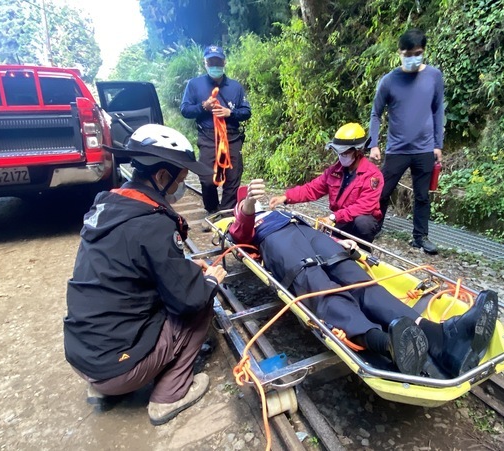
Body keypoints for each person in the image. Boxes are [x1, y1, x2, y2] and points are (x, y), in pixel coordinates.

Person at [229, 179, 499, 378]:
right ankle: (387, 344)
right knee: (319, 287)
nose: (259, 202)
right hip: (277, 242)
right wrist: (248, 206)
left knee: (359, 280)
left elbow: (317, 228)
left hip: (308, 234)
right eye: (250, 201)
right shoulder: (247, 221)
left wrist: (341, 242)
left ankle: (441, 338)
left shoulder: (284, 214)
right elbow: (239, 235)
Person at [63, 124, 228, 426]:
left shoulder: (108, 206)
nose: (181, 185)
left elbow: (134, 268)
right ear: (162, 177)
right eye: (180, 178)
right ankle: (170, 396)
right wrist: (209, 280)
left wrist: (188, 270)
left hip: (82, 354)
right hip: (116, 370)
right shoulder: (153, 223)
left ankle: (102, 389)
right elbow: (187, 300)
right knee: (201, 302)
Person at [369, 28, 444, 255]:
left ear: (424, 51)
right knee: (382, 191)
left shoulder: (434, 76)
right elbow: (376, 113)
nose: (412, 57)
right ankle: (374, 228)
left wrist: (438, 144)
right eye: (407, 53)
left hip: (424, 149)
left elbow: (438, 109)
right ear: (399, 53)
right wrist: (373, 143)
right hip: (397, 149)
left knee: (422, 196)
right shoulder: (389, 81)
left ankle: (420, 238)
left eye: (417, 52)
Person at [268, 123, 383, 243]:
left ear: (358, 151)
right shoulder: (334, 171)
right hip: (341, 220)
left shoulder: (372, 175)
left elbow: (364, 206)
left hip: (358, 221)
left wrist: (333, 217)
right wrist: (286, 197)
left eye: (344, 153)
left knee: (363, 223)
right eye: (339, 153)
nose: (341, 157)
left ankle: (363, 249)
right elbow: (312, 189)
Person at [180, 45, 252, 214]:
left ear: (224, 62)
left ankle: (226, 213)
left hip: (232, 137)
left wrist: (230, 113)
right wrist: (203, 106)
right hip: (208, 137)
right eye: (211, 61)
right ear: (205, 63)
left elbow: (246, 112)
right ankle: (212, 210)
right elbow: (185, 110)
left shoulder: (235, 87)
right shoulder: (194, 85)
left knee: (233, 178)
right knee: (206, 178)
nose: (214, 65)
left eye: (218, 61)